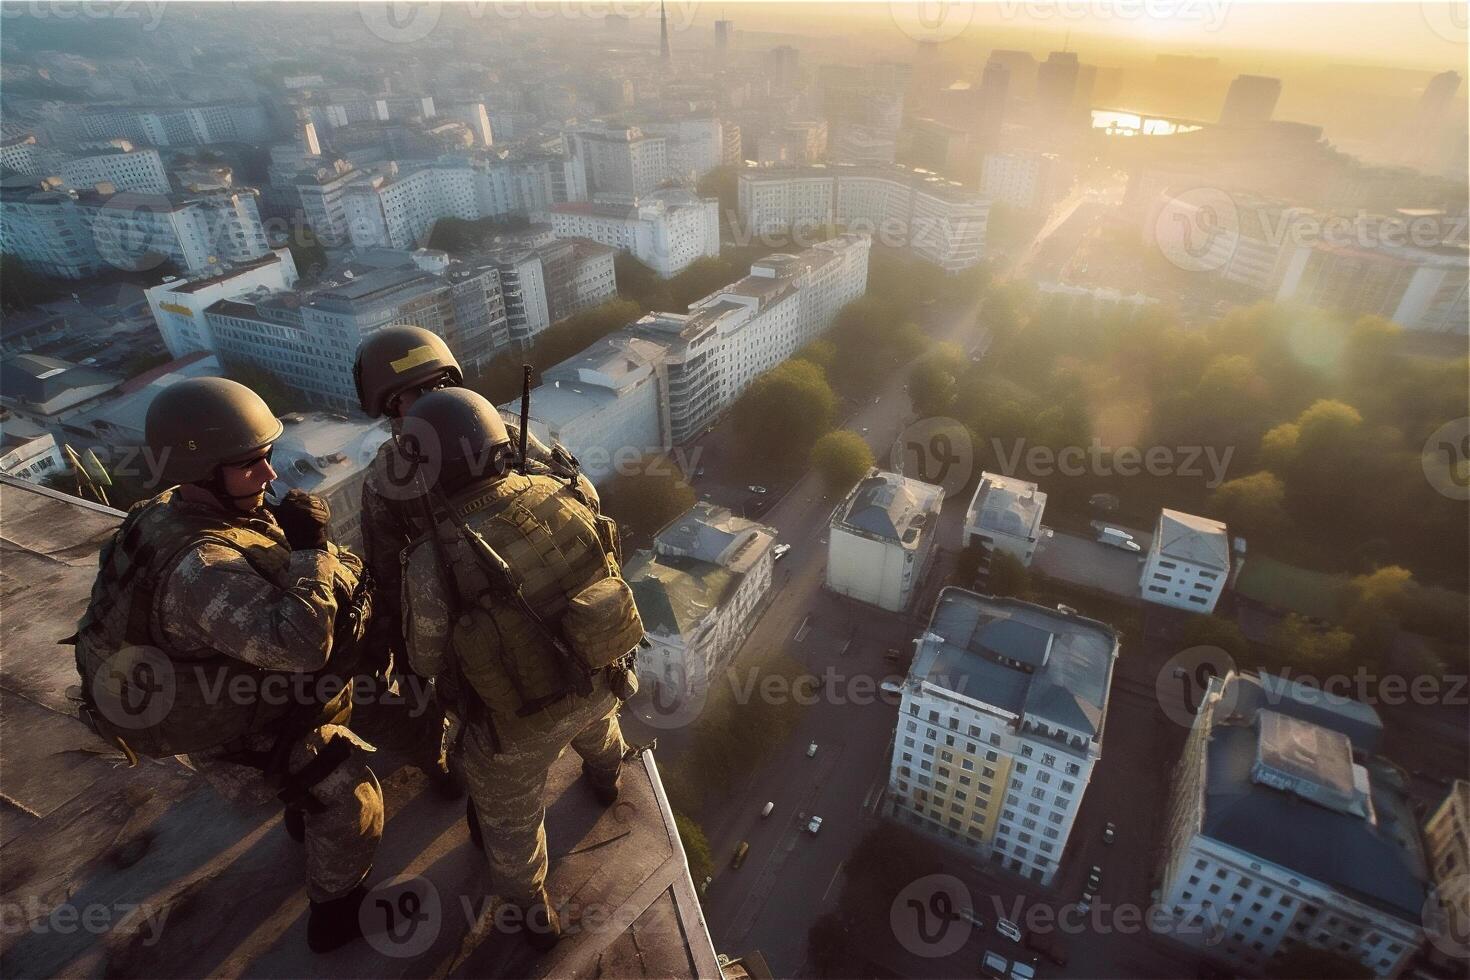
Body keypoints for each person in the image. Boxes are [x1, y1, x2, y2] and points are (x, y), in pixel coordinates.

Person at [72, 377, 382, 954]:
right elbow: (299, 647)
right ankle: (336, 912)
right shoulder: (202, 569)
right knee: (354, 795)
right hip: (236, 733)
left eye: (266, 458)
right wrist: (314, 551)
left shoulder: (159, 511)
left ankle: (298, 803)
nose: (268, 476)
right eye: (250, 465)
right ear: (203, 473)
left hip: (204, 685)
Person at [397, 388, 641, 951]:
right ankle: (607, 779)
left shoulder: (433, 556)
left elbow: (425, 657)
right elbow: (607, 565)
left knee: (509, 822)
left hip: (518, 725)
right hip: (601, 679)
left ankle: (532, 911)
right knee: (597, 727)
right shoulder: (563, 494)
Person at [352, 325, 597, 796]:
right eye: (413, 393)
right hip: (472, 617)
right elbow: (388, 580)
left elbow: (580, 498)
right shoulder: (389, 476)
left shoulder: (494, 429)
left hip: (544, 597)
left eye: (439, 387)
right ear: (389, 407)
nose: (429, 399)